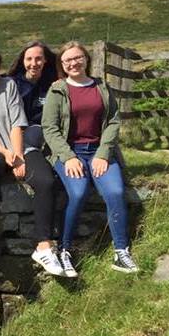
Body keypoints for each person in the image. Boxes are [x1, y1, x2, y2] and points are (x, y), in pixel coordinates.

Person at [0, 47, 65, 275]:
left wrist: (17, 155)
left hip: (17, 144)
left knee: (46, 181)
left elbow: (17, 122)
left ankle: (44, 246)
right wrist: (4, 152)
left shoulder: (9, 85)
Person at [43, 41, 138, 275]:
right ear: (62, 65)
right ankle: (65, 250)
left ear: (86, 59)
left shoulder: (102, 86)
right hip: (69, 152)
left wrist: (103, 153)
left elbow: (114, 121)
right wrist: (68, 157)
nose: (73, 63)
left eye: (77, 58)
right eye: (67, 60)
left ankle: (121, 252)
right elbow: (50, 128)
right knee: (78, 192)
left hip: (99, 152)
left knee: (115, 192)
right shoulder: (57, 89)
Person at [7, 41, 59, 151]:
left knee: (33, 138)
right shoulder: (12, 83)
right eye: (29, 59)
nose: (34, 64)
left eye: (38, 58)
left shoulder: (54, 83)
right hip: (15, 128)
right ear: (23, 60)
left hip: (39, 128)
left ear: (45, 59)